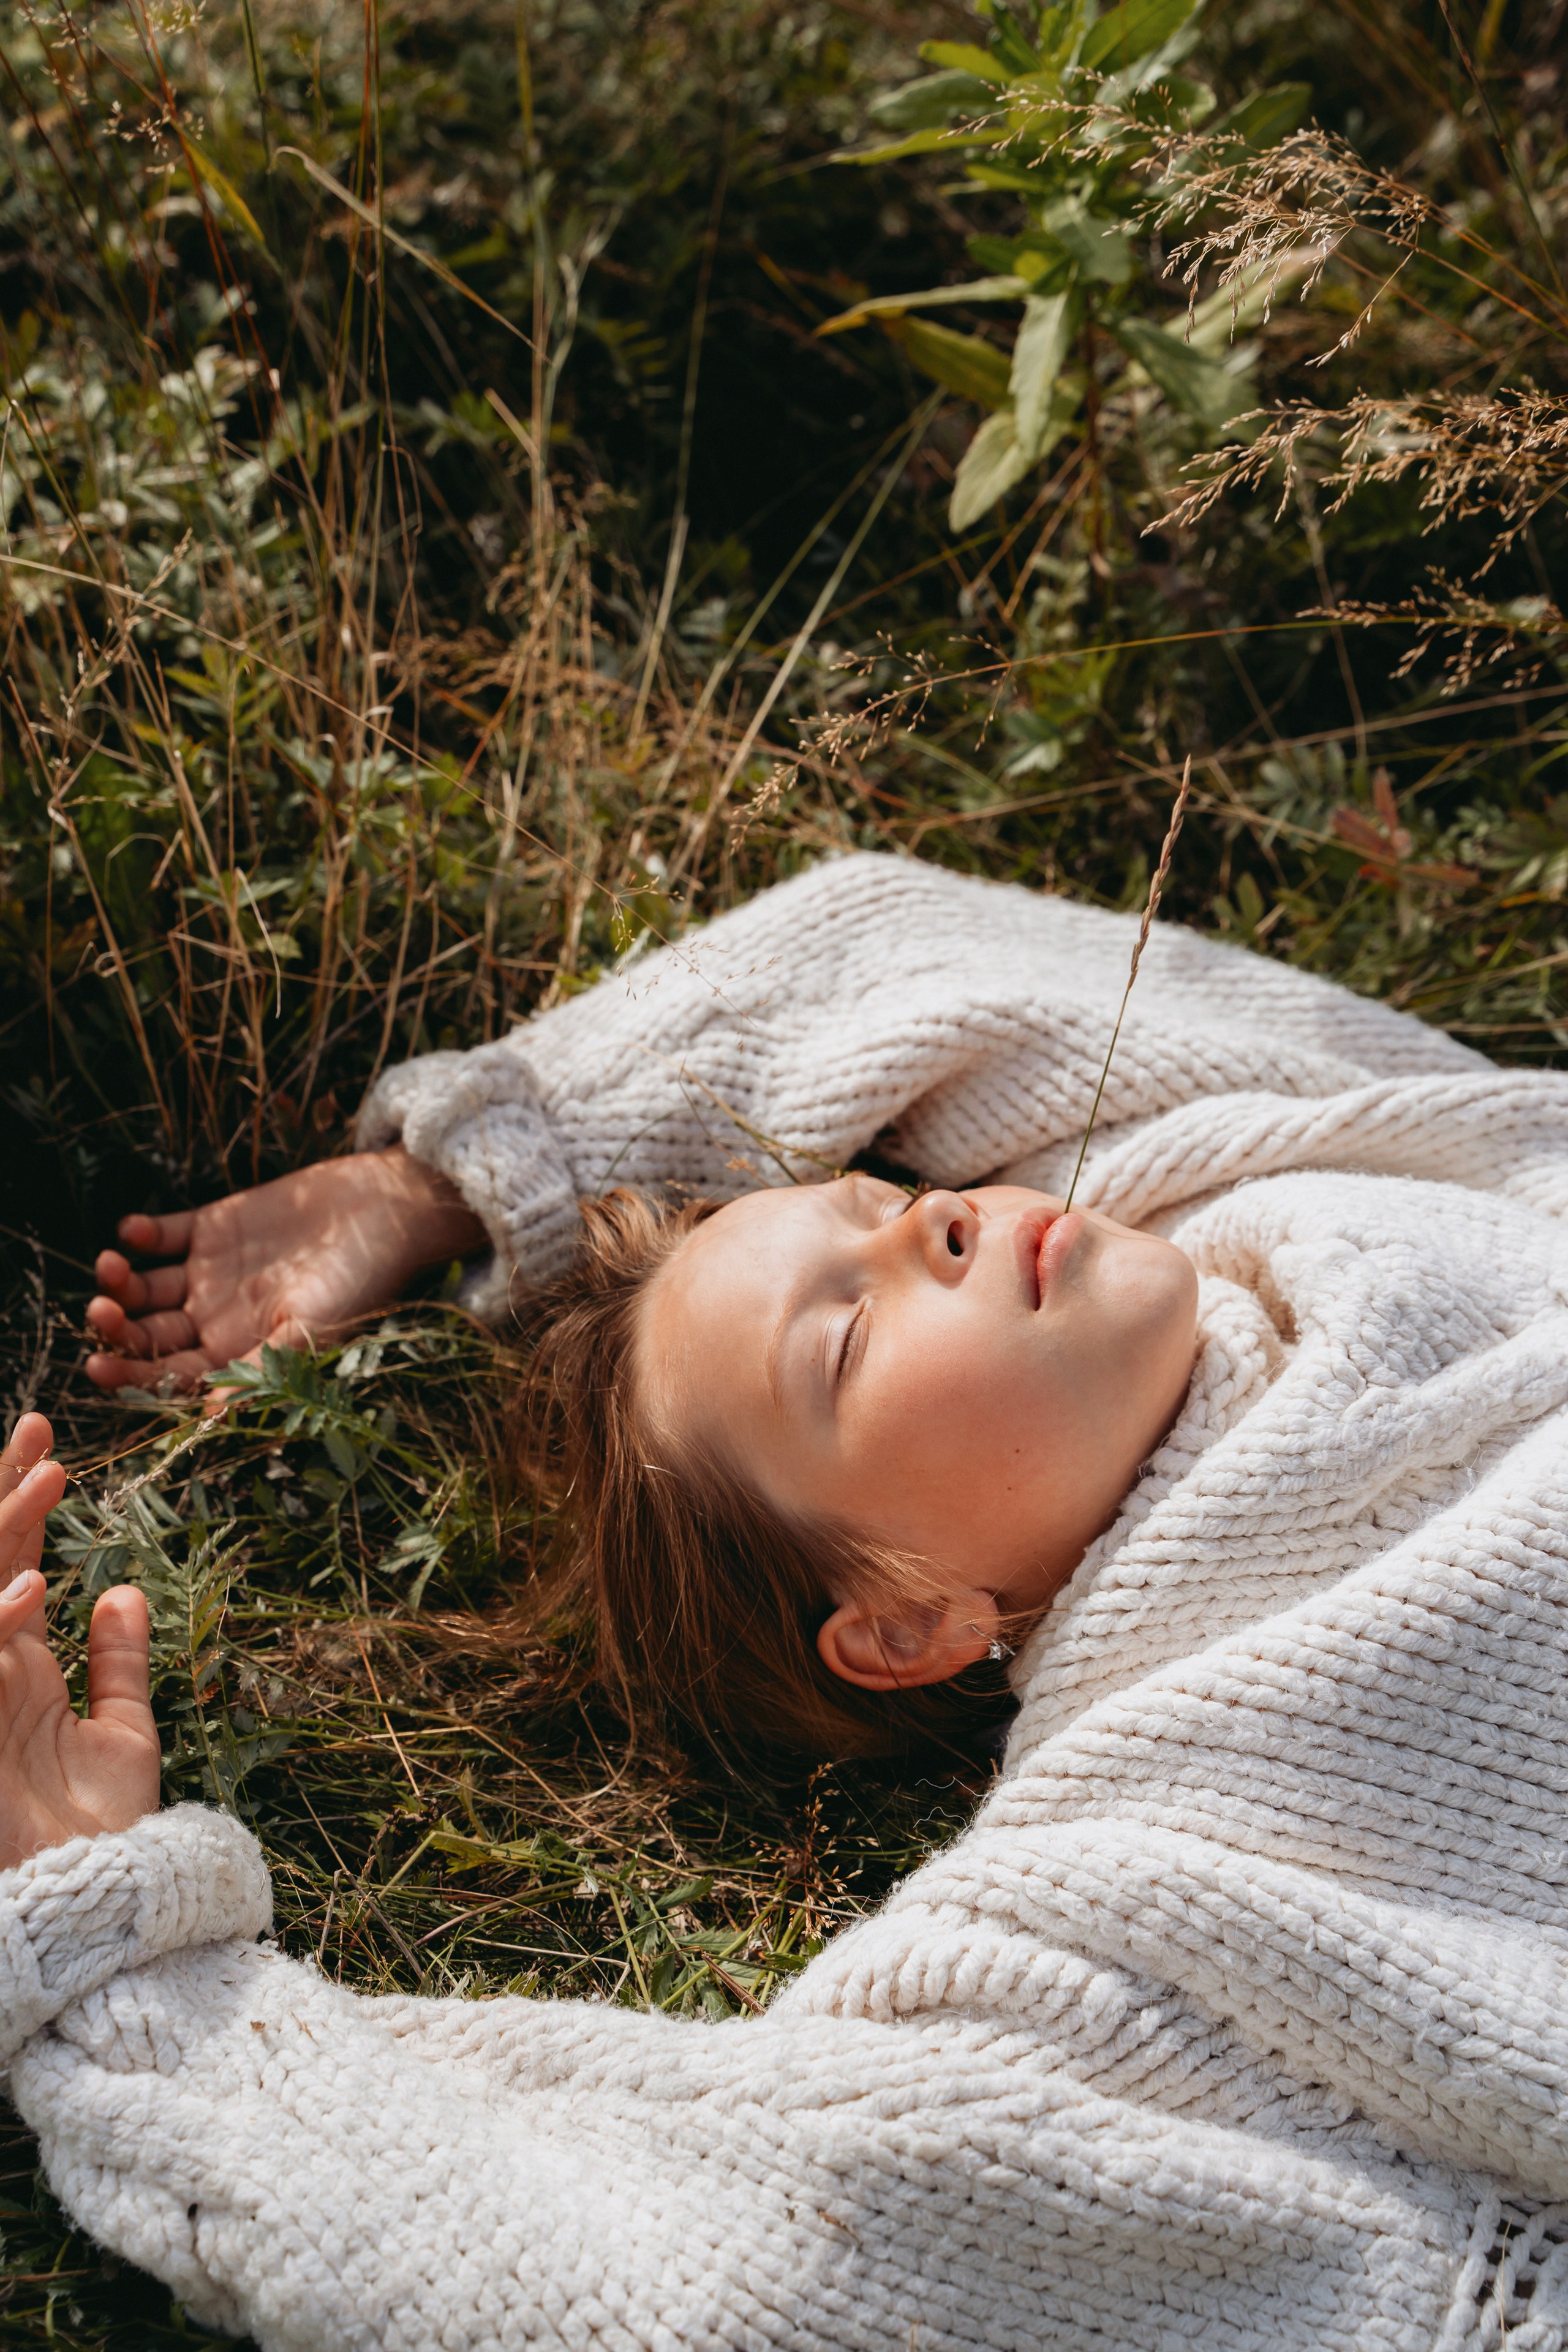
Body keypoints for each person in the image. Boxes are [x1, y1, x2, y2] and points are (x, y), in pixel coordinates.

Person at [9, 848, 1568, 2350]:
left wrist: (452, 1175)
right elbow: (719, 2266)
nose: (932, 1221)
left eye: (878, 1202)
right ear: (905, 1623)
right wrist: (115, 1962)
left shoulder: (1250, 1163)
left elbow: (908, 954)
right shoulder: (1151, 1850)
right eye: (843, 1340)